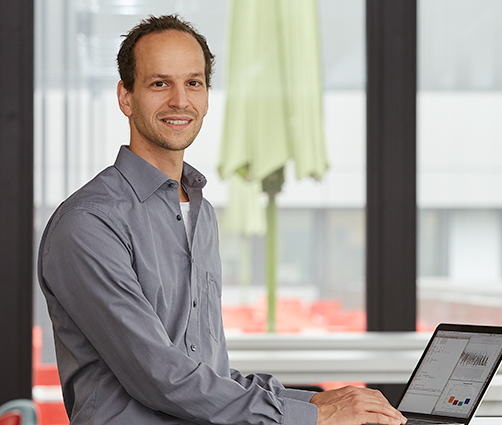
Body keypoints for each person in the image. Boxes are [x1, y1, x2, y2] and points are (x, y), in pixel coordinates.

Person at [37, 14, 407, 425]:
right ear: (126, 96)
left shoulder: (200, 212)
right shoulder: (89, 223)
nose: (180, 100)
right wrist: (309, 416)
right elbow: (160, 376)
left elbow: (205, 375)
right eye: (160, 83)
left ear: (208, 95)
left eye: (193, 83)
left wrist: (315, 403)